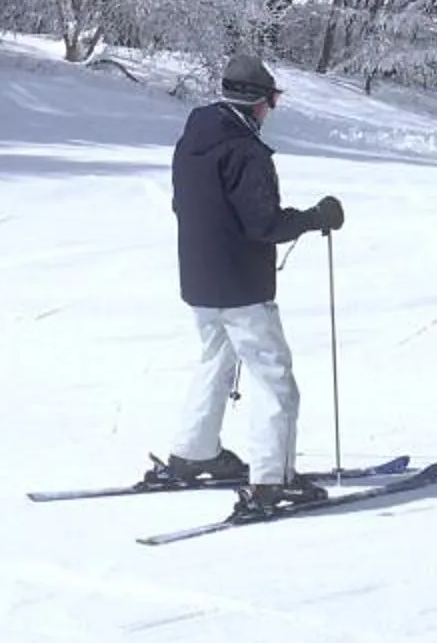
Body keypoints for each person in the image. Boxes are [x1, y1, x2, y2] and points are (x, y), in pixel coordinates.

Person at [147, 55, 344, 517]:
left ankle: (192, 454)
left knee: (215, 362)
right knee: (274, 377)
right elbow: (265, 224)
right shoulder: (247, 152)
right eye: (272, 100)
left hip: (199, 280)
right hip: (240, 287)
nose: (271, 110)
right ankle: (272, 481)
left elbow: (185, 206)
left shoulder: (193, 138)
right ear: (258, 102)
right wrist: (316, 219)